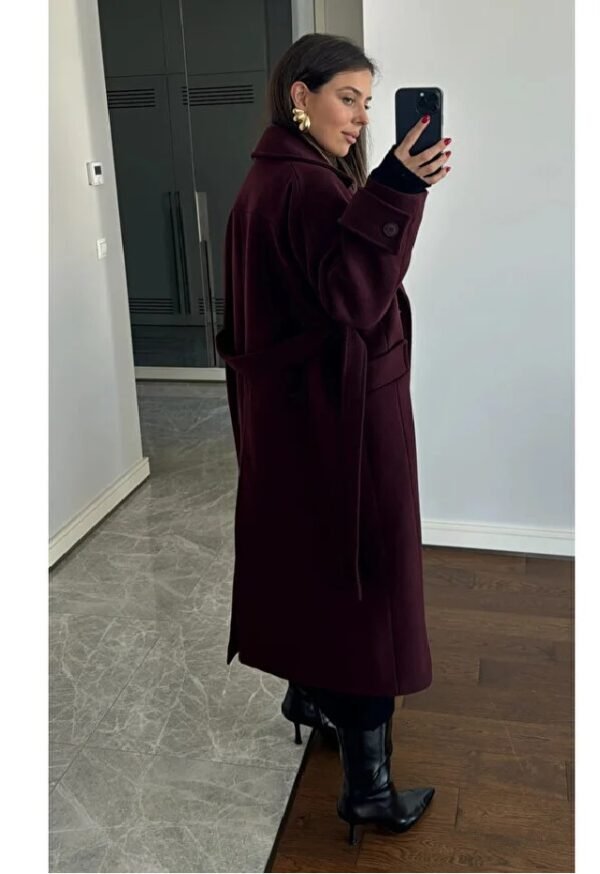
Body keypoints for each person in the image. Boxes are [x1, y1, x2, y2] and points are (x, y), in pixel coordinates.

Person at [215, 33, 452, 845]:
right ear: (300, 96)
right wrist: (397, 187)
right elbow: (354, 297)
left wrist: (386, 185)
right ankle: (368, 791)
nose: (360, 117)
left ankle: (310, 696)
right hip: (341, 423)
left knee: (316, 566)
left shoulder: (273, 176)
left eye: (366, 102)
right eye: (347, 98)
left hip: (301, 420)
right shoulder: (305, 185)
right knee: (366, 582)